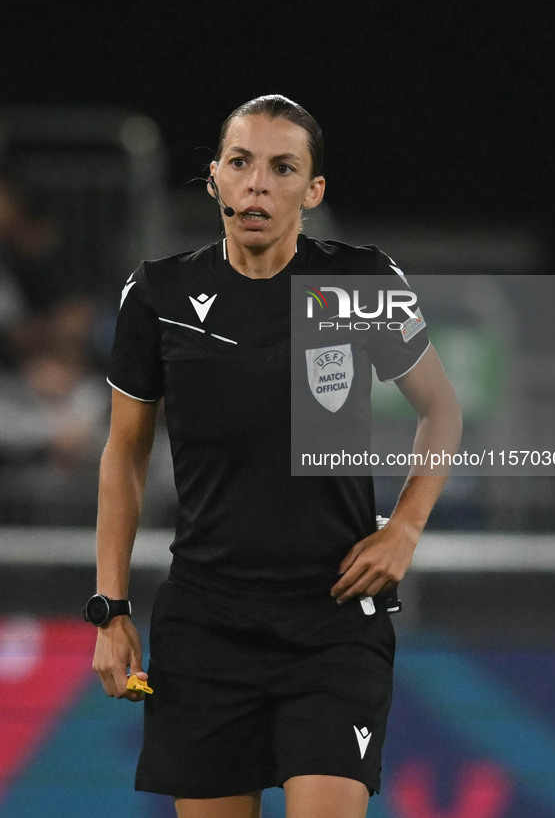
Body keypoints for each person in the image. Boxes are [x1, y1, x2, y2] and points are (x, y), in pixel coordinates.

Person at [87, 94, 462, 818]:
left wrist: (405, 527)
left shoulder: (358, 281)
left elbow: (439, 409)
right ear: (214, 179)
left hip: (332, 622)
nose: (257, 183)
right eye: (240, 163)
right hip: (207, 625)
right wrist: (110, 608)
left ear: (312, 191)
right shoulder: (158, 294)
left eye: (282, 167)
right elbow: (124, 455)